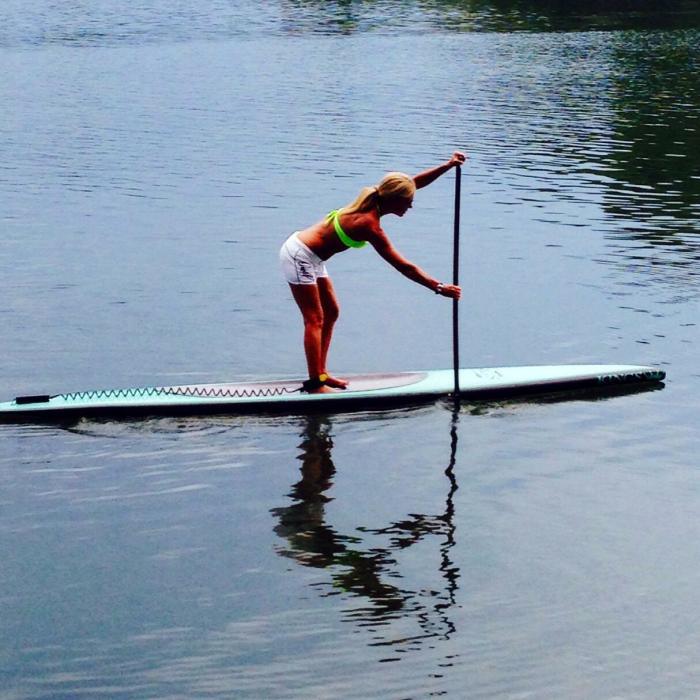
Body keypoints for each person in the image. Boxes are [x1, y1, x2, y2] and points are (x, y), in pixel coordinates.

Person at [280, 151, 465, 393]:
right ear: (395, 201)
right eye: (408, 201)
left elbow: (413, 183)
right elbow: (403, 266)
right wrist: (438, 287)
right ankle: (316, 383)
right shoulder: (369, 224)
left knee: (332, 312)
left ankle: (322, 374)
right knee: (314, 318)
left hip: (312, 257)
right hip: (299, 255)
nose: (411, 204)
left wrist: (448, 166)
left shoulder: (377, 198)